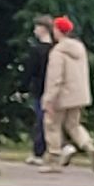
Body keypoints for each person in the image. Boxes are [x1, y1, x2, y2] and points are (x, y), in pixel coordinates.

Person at [41, 16, 94, 172]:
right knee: (73, 125)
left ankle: (53, 160)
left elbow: (55, 78)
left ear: (57, 31)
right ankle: (89, 146)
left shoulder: (58, 51)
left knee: (52, 125)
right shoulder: (80, 50)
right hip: (79, 95)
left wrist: (48, 99)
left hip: (61, 95)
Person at [22, 16, 54, 164]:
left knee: (41, 121)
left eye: (36, 27)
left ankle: (39, 152)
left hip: (40, 90)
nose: (35, 30)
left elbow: (30, 71)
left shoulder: (36, 50)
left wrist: (23, 87)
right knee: (52, 121)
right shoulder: (55, 49)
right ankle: (54, 148)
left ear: (43, 29)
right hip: (54, 89)